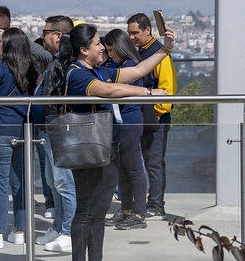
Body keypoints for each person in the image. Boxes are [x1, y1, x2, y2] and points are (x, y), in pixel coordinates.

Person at [55, 23, 174, 260]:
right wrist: (148, 94)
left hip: (104, 149)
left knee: (97, 213)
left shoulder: (95, 70)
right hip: (89, 151)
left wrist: (165, 49)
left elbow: (138, 71)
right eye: (98, 44)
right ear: (83, 50)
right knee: (86, 212)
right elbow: (108, 91)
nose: (103, 48)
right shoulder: (77, 73)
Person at [0, 27, 38, 249]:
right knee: (20, 182)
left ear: (8, 46)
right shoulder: (32, 69)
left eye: (1, 42)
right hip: (24, 129)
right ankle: (20, 230)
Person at [32, 15, 76, 253]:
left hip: (59, 130)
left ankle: (69, 231)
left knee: (64, 182)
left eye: (45, 32)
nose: (42, 37)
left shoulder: (65, 62)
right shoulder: (55, 61)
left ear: (58, 35)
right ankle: (59, 226)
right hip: (48, 130)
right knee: (53, 181)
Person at [127, 13, 177, 221]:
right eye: (129, 33)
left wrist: (157, 112)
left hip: (154, 117)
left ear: (148, 30)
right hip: (145, 114)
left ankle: (156, 204)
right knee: (147, 161)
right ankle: (151, 202)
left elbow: (167, 88)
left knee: (154, 161)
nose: (132, 37)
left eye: (135, 33)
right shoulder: (145, 52)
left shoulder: (158, 53)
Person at [102, 28, 148, 230]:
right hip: (119, 121)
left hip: (130, 120)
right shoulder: (117, 64)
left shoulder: (129, 67)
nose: (109, 54)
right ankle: (127, 208)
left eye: (111, 50)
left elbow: (111, 83)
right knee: (123, 169)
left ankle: (139, 212)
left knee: (134, 168)